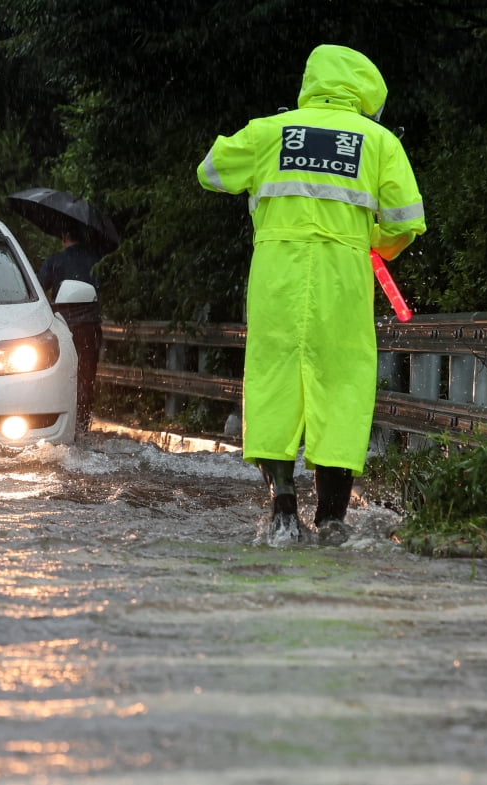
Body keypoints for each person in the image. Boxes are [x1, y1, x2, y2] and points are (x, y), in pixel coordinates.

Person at [196, 44, 426, 546]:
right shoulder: (380, 142)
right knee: (341, 387)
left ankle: (282, 505)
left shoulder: (269, 132)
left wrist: (268, 144)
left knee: (275, 382)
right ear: (366, 93)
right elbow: (407, 222)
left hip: (276, 279)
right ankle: (332, 521)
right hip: (344, 283)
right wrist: (371, 242)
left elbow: (210, 171)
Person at [38, 227, 103, 432]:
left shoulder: (55, 261)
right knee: (85, 379)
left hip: (63, 327)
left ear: (65, 236)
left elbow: (38, 291)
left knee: (55, 376)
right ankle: (82, 427)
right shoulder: (96, 261)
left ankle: (54, 425)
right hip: (89, 329)